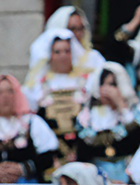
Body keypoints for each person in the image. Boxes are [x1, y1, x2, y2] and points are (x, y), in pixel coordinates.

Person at [23, 29, 92, 164]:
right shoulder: (36, 85)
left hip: (82, 146)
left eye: (67, 51)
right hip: (51, 150)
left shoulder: (86, 81)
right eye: (57, 52)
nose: (63, 56)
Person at [75, 64, 140, 174]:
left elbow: (135, 137)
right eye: (103, 84)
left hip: (126, 169)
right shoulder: (88, 116)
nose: (107, 90)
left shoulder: (135, 112)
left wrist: (121, 105)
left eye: (112, 85)